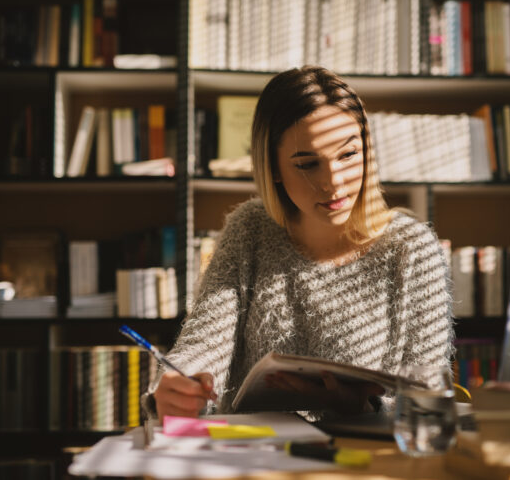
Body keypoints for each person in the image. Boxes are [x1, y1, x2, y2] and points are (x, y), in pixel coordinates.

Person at [143, 66, 453, 422]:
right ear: (273, 167)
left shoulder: (413, 249)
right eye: (307, 164)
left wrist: (361, 408)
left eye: (348, 155)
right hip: (257, 460)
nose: (333, 182)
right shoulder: (250, 230)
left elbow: (426, 398)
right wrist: (178, 387)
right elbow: (204, 343)